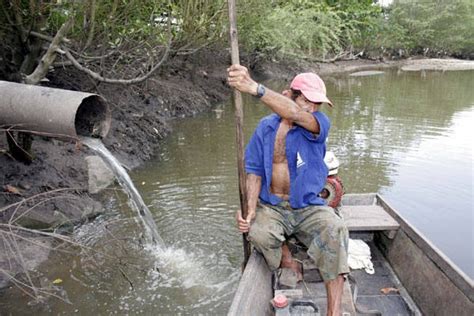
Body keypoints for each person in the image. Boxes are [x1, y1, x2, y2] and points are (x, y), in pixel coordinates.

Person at [227, 64, 349, 316]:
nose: (312, 108)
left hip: (308, 206)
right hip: (272, 206)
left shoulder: (317, 124)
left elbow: (295, 114)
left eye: (316, 104)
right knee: (258, 233)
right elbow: (254, 171)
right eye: (307, 101)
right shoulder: (265, 128)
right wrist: (249, 211)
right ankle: (287, 259)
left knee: (335, 229)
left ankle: (334, 311)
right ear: (288, 93)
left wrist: (253, 87)